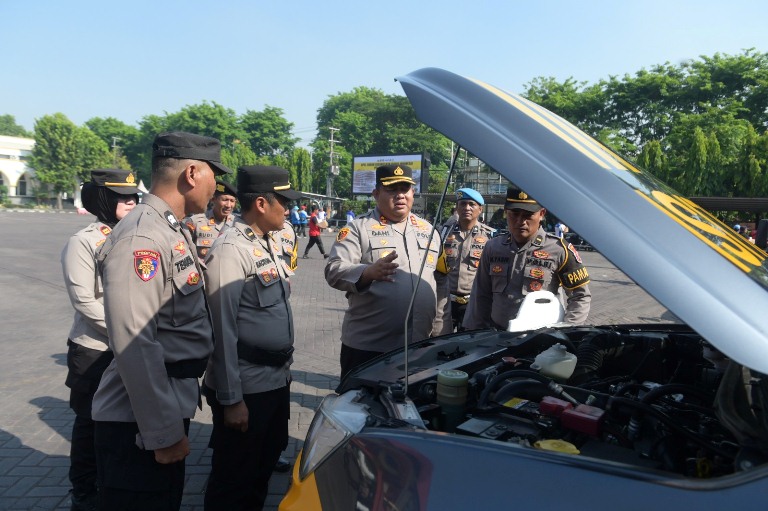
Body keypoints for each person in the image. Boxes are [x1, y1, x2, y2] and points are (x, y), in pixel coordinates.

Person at [92, 131, 231, 511]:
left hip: (163, 405)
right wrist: (163, 432)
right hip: (139, 421)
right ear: (191, 174)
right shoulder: (143, 237)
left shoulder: (168, 227)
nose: (217, 188)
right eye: (214, 175)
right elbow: (135, 341)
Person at [202, 165, 300, 510]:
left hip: (274, 380)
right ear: (261, 203)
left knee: (262, 466)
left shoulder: (266, 242)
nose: (288, 209)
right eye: (283, 202)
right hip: (246, 386)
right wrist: (231, 399)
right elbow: (221, 329)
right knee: (234, 478)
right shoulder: (230, 249)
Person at [61, 169, 140, 511]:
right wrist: (126, 329)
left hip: (132, 344)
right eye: (122, 196)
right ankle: (84, 490)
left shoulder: (137, 236)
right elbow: (84, 301)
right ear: (103, 199)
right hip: (95, 349)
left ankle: (117, 481)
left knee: (126, 418)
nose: (131, 201)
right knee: (89, 422)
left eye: (133, 195)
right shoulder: (84, 241)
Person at [325, 164, 442, 378]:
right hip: (369, 348)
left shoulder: (430, 231)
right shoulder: (358, 228)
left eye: (405, 189)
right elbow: (334, 270)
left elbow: (440, 283)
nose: (400, 195)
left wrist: (440, 332)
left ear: (413, 193)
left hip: (418, 345)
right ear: (376, 193)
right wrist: (367, 272)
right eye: (391, 189)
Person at [463, 188, 591, 331]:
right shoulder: (493, 247)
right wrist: (475, 333)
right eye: (515, 214)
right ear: (506, 212)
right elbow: (481, 295)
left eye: (528, 215)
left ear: (542, 214)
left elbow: (581, 296)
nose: (520, 221)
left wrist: (566, 330)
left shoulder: (559, 249)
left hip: (539, 338)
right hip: (497, 336)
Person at [433, 187, 496, 335]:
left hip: (474, 303)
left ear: (480, 209)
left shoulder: (490, 236)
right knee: (442, 341)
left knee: (469, 343)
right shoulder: (443, 233)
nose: (467, 208)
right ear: (457, 207)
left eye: (471, 204)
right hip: (445, 301)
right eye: (462, 204)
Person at [184, 179, 237, 259]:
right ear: (213, 199)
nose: (228, 205)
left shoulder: (237, 224)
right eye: (225, 200)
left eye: (232, 201)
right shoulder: (196, 222)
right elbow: (183, 250)